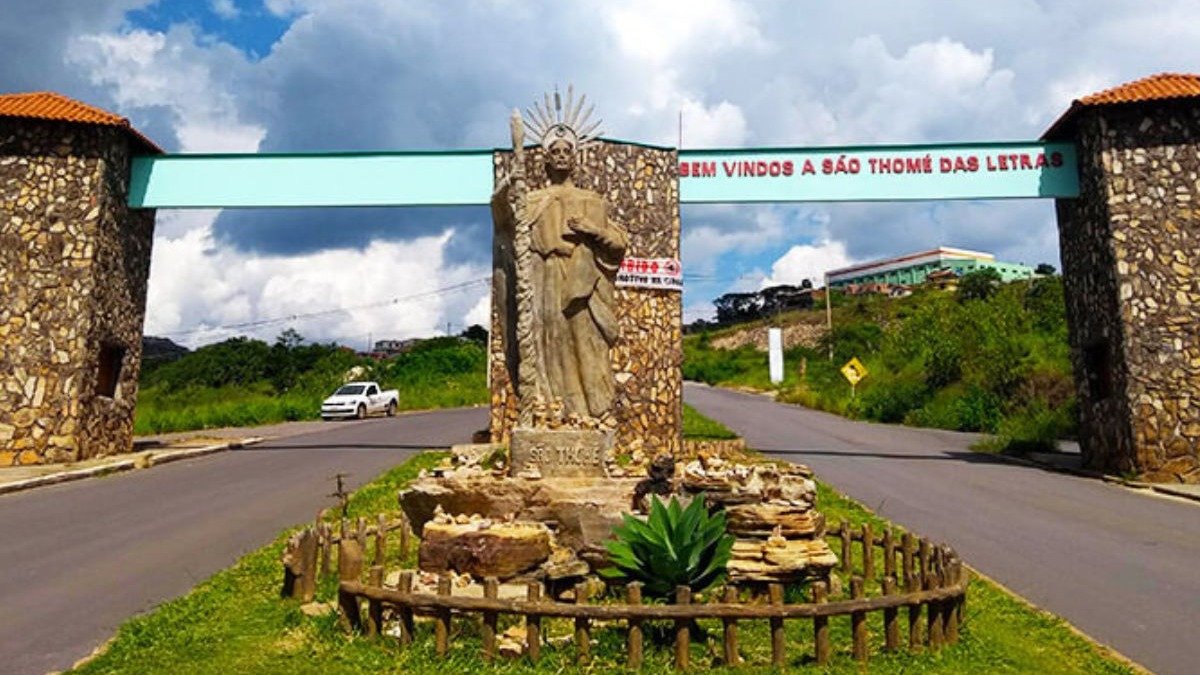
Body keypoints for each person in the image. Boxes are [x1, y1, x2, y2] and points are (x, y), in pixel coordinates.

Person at [493, 93, 628, 421]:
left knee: (583, 344)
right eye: (555, 152)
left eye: (567, 151)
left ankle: (586, 412)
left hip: (579, 282)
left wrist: (590, 231)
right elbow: (504, 227)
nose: (562, 156)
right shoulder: (533, 199)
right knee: (543, 342)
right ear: (546, 160)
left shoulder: (590, 200)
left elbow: (617, 244)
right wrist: (505, 191)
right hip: (540, 279)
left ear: (576, 158)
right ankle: (547, 408)